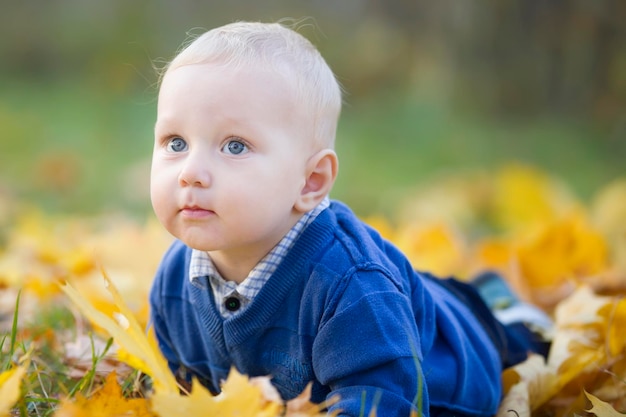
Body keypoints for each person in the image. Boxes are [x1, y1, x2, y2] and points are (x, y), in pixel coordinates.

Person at [148, 21, 551, 417]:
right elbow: (179, 388)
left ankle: (505, 313)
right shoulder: (174, 278)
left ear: (310, 181)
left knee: (507, 334)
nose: (191, 171)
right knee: (417, 292)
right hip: (392, 303)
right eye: (176, 142)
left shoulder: (351, 285)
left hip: (458, 357)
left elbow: (385, 401)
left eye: (234, 146)